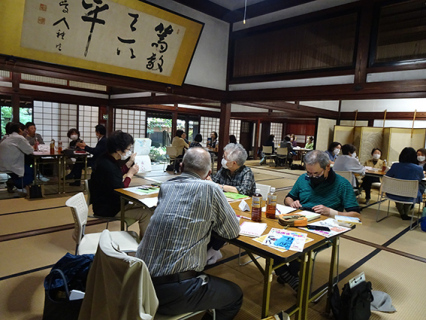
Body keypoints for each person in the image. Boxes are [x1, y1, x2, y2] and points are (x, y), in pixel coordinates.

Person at [136, 147, 242, 318]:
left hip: (139, 278)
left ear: (182, 165)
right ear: (209, 171)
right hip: (170, 290)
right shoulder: (211, 189)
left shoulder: (166, 186)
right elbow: (231, 231)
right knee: (235, 295)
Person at [276, 150, 360, 291]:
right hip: (298, 221)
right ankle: (288, 275)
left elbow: (357, 216)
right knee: (271, 241)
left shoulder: (342, 184)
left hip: (323, 229)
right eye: (309, 173)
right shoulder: (303, 178)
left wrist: (333, 212)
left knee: (301, 246)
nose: (312, 177)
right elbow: (288, 197)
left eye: (316, 174)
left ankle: (286, 274)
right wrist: (292, 203)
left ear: (327, 167)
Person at [89, 131, 152, 239]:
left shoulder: (106, 158)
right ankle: (145, 245)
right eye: (128, 149)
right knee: (146, 213)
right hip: (108, 208)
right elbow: (121, 190)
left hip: (106, 202)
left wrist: (129, 163)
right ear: (118, 150)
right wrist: (130, 174)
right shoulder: (108, 166)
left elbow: (116, 174)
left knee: (146, 206)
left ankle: (144, 240)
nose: (129, 151)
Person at [385, 147, 425, 220]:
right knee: (414, 190)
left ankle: (402, 213)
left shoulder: (395, 166)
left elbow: (387, 176)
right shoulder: (418, 168)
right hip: (411, 194)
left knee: (399, 191)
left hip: (393, 193)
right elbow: (421, 178)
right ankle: (406, 213)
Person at [0, 122, 34, 192]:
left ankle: (13, 181)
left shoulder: (8, 137)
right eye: (24, 129)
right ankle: (14, 183)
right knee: (32, 173)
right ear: (20, 129)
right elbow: (30, 150)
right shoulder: (19, 138)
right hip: (13, 164)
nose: (26, 131)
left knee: (26, 165)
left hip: (5, 163)